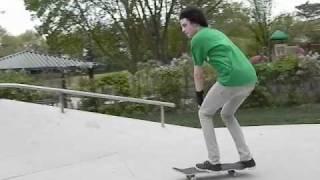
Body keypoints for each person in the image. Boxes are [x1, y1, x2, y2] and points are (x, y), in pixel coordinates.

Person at [179, 7, 257, 171]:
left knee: (204, 113)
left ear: (195, 23)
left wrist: (199, 96)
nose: (183, 30)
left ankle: (213, 161)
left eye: (185, 25)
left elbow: (198, 72)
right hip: (250, 78)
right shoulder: (215, 33)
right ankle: (246, 157)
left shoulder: (197, 39)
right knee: (227, 114)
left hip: (232, 78)